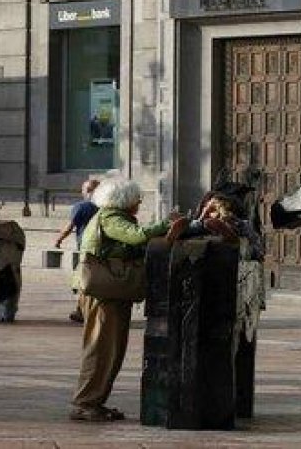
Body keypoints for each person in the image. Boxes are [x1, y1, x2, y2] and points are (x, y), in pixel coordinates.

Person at [69, 178, 176, 423]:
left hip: (112, 293)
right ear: (124, 200)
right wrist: (166, 224)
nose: (139, 202)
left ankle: (95, 401)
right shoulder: (111, 217)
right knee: (101, 350)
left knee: (112, 351)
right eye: (136, 198)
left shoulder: (115, 217)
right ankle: (85, 402)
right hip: (103, 294)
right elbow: (136, 237)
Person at [53, 178, 100, 323]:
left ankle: (81, 311)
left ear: (89, 191)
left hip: (86, 250)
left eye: (83, 189)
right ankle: (87, 310)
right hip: (102, 249)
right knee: (96, 280)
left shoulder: (81, 207)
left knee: (82, 281)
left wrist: (58, 239)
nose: (82, 192)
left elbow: (70, 226)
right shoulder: (106, 207)